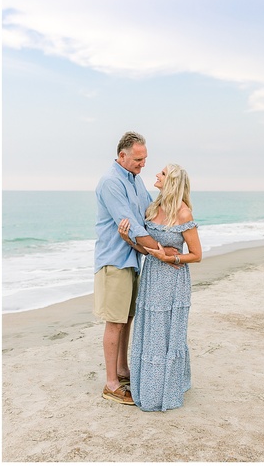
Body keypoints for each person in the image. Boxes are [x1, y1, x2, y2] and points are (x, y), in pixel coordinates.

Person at [94, 132, 179, 405]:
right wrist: (163, 251)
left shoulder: (135, 180)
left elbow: (147, 213)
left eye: (145, 159)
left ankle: (122, 370)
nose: (143, 164)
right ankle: (111, 384)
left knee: (127, 318)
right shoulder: (110, 182)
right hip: (114, 260)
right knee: (115, 321)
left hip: (133, 258)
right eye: (138, 159)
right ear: (122, 156)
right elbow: (132, 224)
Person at [118, 163, 202, 411]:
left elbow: (196, 255)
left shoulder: (184, 214)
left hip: (173, 281)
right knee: (150, 332)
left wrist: (172, 258)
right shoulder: (153, 209)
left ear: (173, 182)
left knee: (166, 334)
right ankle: (147, 387)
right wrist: (127, 239)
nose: (157, 174)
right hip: (151, 277)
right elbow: (149, 250)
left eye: (163, 173)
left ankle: (167, 389)